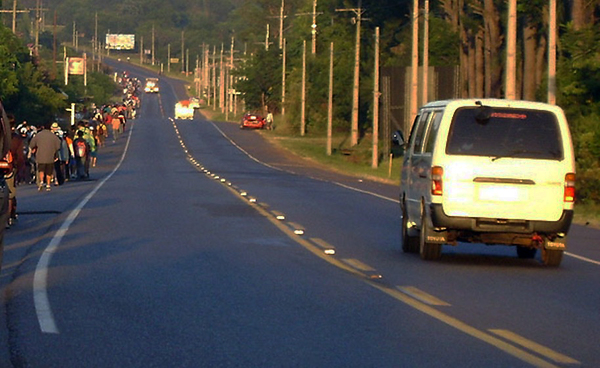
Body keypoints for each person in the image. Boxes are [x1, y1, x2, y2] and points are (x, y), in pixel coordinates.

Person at [29, 122, 61, 191]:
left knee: (41, 170)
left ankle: (41, 182)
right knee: (49, 171)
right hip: (50, 156)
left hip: (40, 156)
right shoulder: (53, 136)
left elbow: (32, 144)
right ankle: (48, 185)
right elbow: (58, 146)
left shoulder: (38, 135)